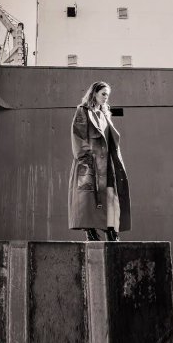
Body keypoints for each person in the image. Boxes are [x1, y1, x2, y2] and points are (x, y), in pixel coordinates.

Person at [68, 81, 131, 241]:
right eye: (103, 94)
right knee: (88, 198)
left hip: (107, 163)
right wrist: (86, 158)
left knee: (110, 194)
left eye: (107, 95)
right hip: (89, 163)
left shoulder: (104, 114)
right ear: (94, 93)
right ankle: (90, 231)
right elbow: (78, 136)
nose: (106, 97)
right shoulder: (83, 111)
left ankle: (111, 230)